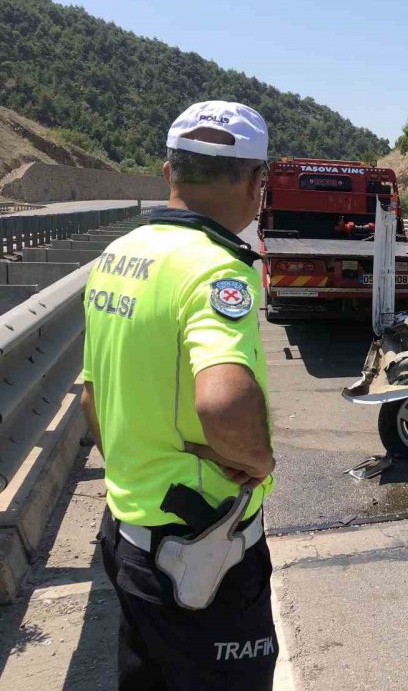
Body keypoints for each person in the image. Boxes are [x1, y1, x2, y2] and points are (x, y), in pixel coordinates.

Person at [82, 100, 278, 690]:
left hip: (129, 540)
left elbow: (93, 399)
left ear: (169, 173)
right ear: (255, 183)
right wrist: (258, 460)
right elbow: (223, 402)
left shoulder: (116, 259)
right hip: (203, 557)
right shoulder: (217, 269)